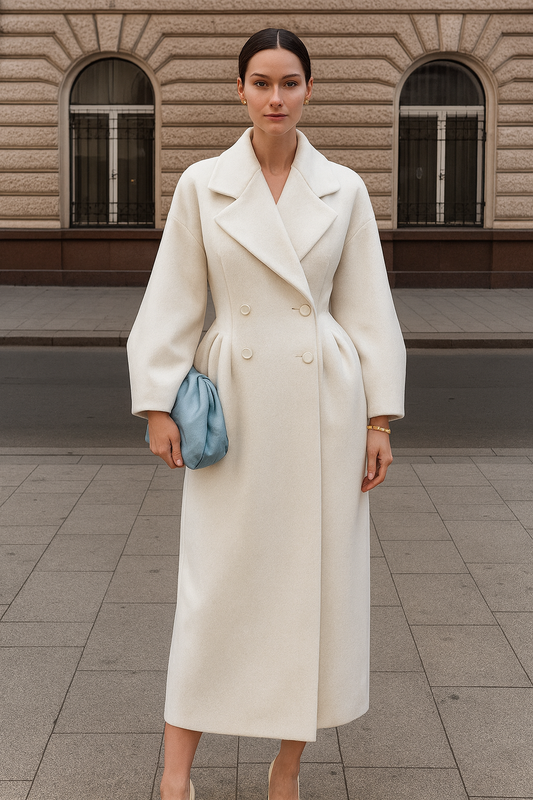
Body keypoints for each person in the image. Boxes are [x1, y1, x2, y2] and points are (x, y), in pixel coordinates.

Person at [127, 27, 406, 800]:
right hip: (237, 405)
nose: (275, 97)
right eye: (260, 82)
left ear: (308, 90)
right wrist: (158, 402)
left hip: (325, 408)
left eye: (288, 82)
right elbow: (174, 297)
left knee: (310, 586)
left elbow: (365, 308)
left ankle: (286, 769)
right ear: (240, 90)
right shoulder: (201, 184)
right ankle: (174, 776)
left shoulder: (342, 188)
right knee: (211, 586)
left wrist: (379, 420)